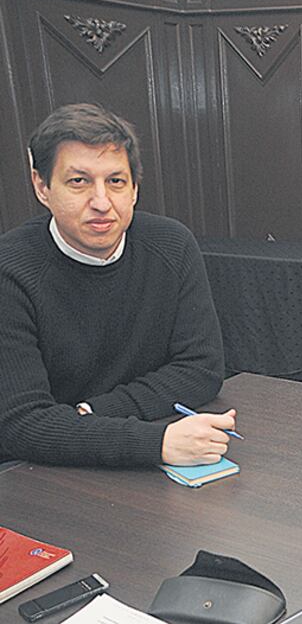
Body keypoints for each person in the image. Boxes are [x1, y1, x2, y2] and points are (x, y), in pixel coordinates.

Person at [0, 103, 235, 467]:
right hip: (37, 474)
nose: (101, 202)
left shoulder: (172, 245)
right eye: (78, 182)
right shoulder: (10, 268)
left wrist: (92, 411)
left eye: (115, 181)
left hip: (122, 455)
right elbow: (21, 422)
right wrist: (154, 443)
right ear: (42, 187)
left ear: (135, 189)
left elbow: (201, 368)